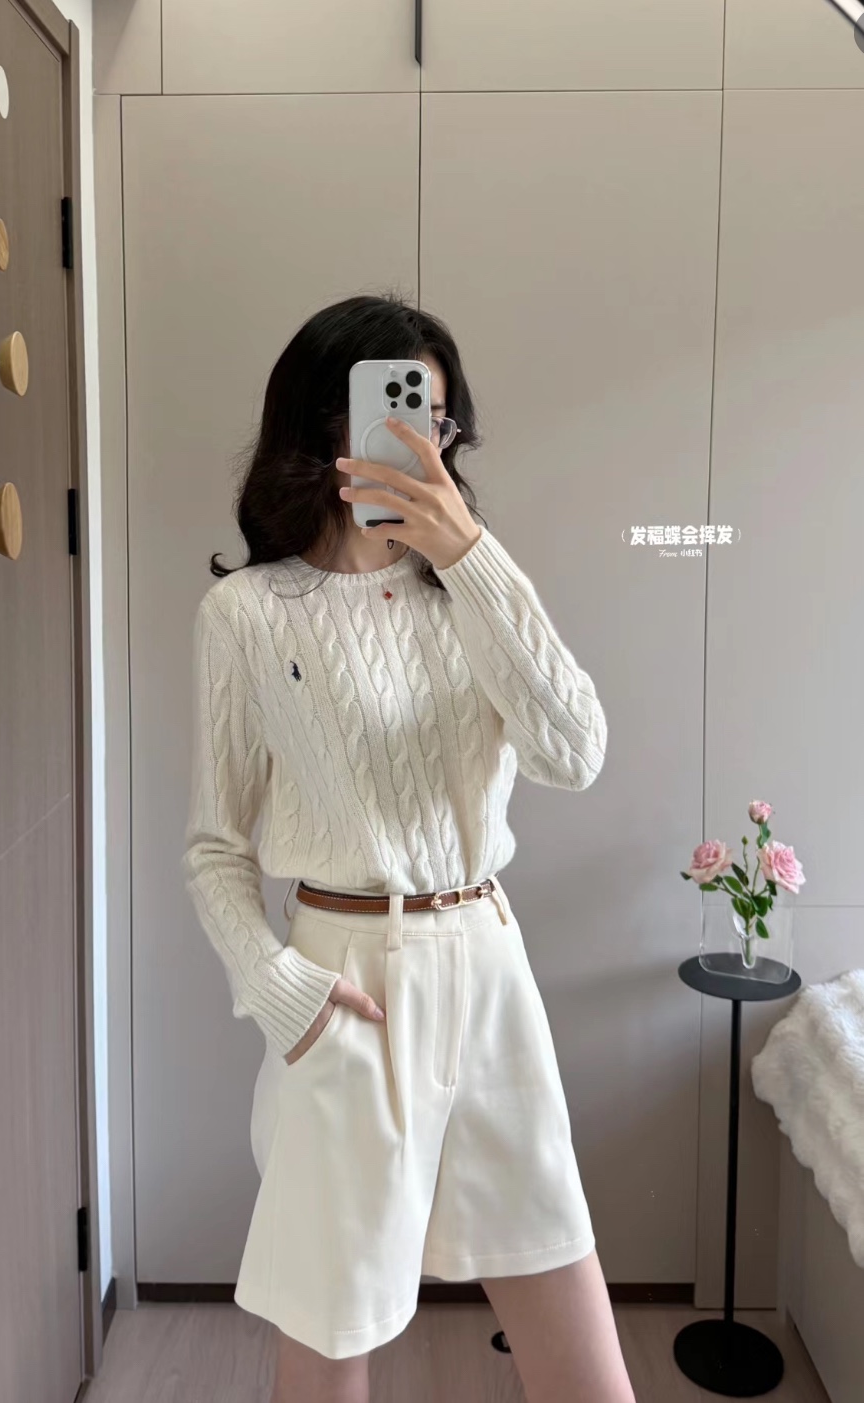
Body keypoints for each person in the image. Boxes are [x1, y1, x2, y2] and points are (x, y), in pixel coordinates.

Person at [182, 292, 635, 1403]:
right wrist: (280, 990)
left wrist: (471, 556)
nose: (417, 436)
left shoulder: (474, 587)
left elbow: (574, 750)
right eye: (391, 409)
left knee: (586, 1369)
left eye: (432, 416)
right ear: (323, 425)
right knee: (328, 1359)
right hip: (344, 989)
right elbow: (214, 847)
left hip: (485, 971)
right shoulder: (249, 613)